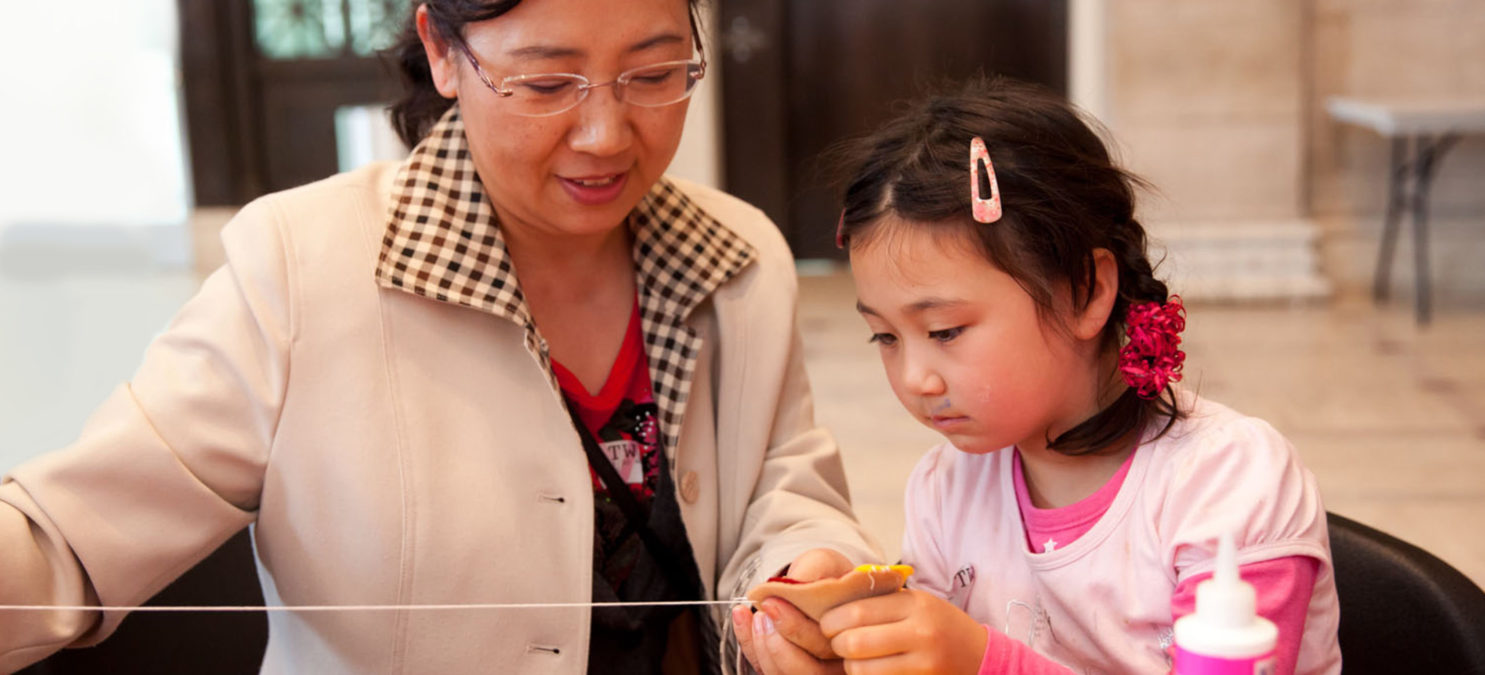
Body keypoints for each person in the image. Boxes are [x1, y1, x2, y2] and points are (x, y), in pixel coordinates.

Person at [0, 1, 882, 672]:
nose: (607, 134)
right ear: (441, 51)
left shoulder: (735, 253)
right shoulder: (302, 264)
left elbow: (782, 478)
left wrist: (802, 572)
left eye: (654, 76)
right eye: (545, 84)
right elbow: (70, 538)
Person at [731, 78, 1341, 674]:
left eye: (945, 331)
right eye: (885, 337)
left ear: (1086, 291)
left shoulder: (1227, 486)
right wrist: (847, 643)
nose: (916, 378)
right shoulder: (948, 488)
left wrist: (980, 660)